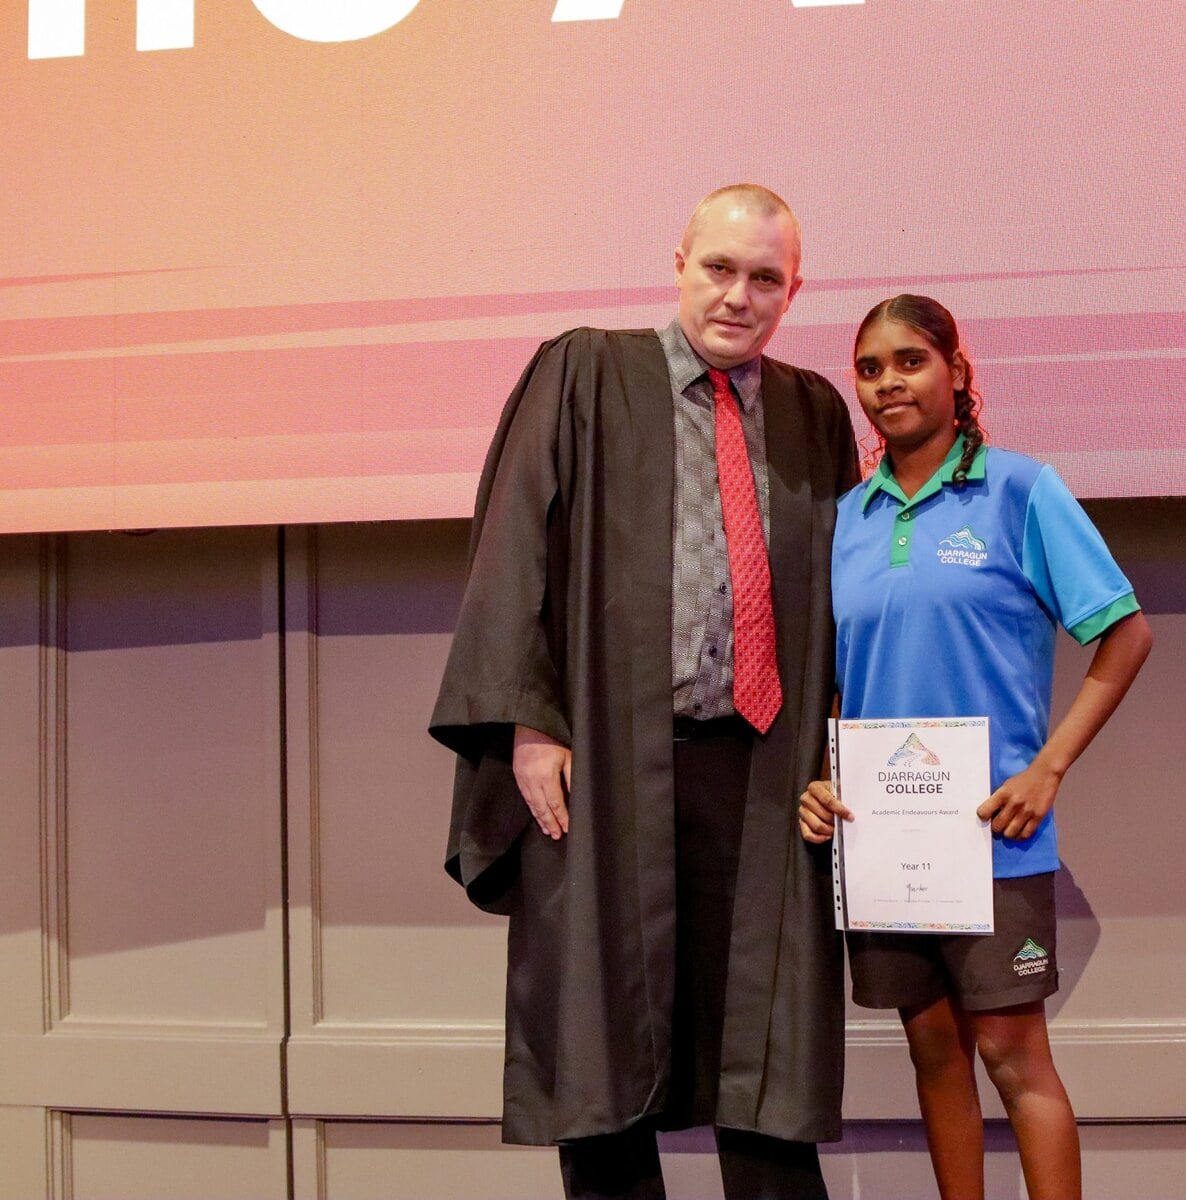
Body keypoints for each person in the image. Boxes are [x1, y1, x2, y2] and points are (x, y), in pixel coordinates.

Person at [430, 184, 860, 1200]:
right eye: (720, 269)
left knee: (767, 1051)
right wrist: (528, 721)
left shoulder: (813, 411)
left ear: (794, 292)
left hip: (763, 767)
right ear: (680, 264)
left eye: (766, 279)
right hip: (611, 760)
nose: (739, 296)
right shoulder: (586, 373)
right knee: (602, 1049)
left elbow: (850, 595)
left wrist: (844, 747)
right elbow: (513, 546)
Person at [798, 294, 1153, 1199]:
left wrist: (1048, 769)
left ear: (958, 372)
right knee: (933, 1048)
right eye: (869, 369)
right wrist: (823, 778)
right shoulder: (846, 520)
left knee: (1010, 1051)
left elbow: (1126, 635)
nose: (888, 383)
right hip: (884, 841)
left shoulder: (1021, 491)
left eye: (910, 361)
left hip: (994, 835)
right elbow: (836, 679)